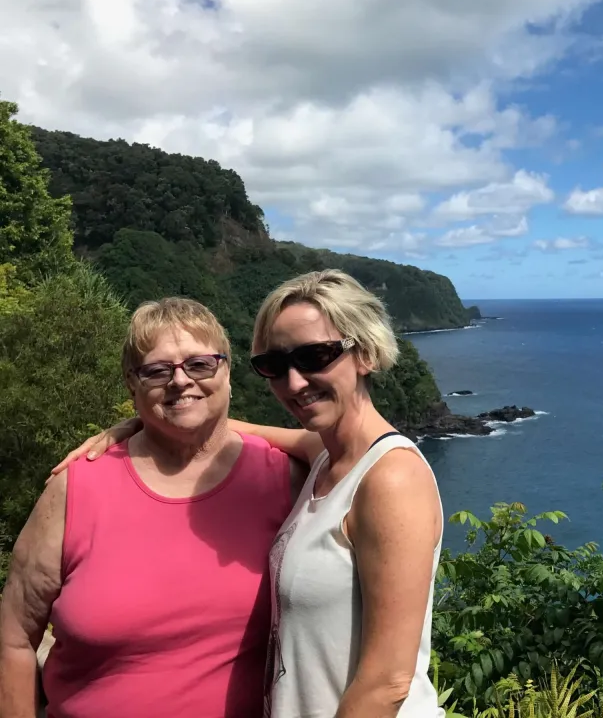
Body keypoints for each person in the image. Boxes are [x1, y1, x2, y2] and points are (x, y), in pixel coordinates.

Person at [46, 270, 446, 718]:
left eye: (316, 357)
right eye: (275, 366)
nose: (294, 383)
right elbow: (248, 430)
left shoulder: (390, 479)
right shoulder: (328, 457)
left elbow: (388, 682)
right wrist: (148, 420)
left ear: (366, 353)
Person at [0, 297, 304, 718]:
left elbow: (364, 451)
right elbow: (14, 636)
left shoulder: (284, 479)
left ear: (227, 370)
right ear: (132, 384)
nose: (180, 381)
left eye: (199, 365)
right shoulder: (77, 487)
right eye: (157, 371)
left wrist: (197, 422)